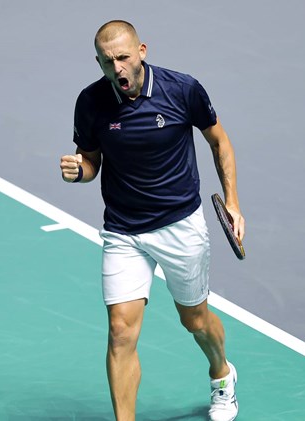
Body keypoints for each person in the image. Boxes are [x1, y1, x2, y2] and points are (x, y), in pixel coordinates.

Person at [60, 20, 245, 421]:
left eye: (124, 57)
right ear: (99, 63)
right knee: (120, 332)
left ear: (142, 51)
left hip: (180, 224)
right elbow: (91, 161)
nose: (118, 68)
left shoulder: (182, 90)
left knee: (194, 320)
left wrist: (232, 202)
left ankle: (221, 373)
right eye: (108, 62)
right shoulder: (90, 102)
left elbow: (219, 140)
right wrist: (80, 170)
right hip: (124, 231)